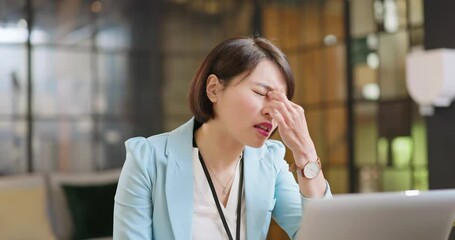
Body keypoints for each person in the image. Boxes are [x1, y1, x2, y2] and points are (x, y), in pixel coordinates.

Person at [113, 36, 332, 240]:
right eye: (260, 93)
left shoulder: (269, 161)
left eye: (280, 101)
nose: (272, 112)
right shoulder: (148, 160)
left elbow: (324, 236)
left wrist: (305, 152)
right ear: (214, 89)